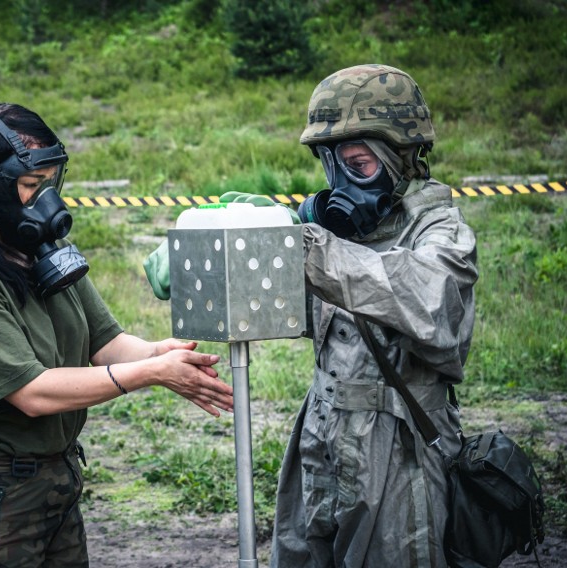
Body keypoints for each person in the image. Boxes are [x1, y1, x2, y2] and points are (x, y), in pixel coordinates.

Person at [145, 64, 478, 567]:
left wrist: (302, 246)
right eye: (333, 165)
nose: (343, 183)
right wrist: (226, 243)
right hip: (320, 440)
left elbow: (428, 305)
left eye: (360, 165)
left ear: (401, 157)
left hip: (400, 446)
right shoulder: (334, 234)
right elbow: (274, 307)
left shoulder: (440, 232)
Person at [0, 102, 234, 567]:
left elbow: (107, 344)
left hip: (55, 483)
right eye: (29, 186)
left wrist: (165, 354)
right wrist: (149, 373)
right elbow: (32, 393)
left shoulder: (42, 248)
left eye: (49, 184)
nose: (46, 202)